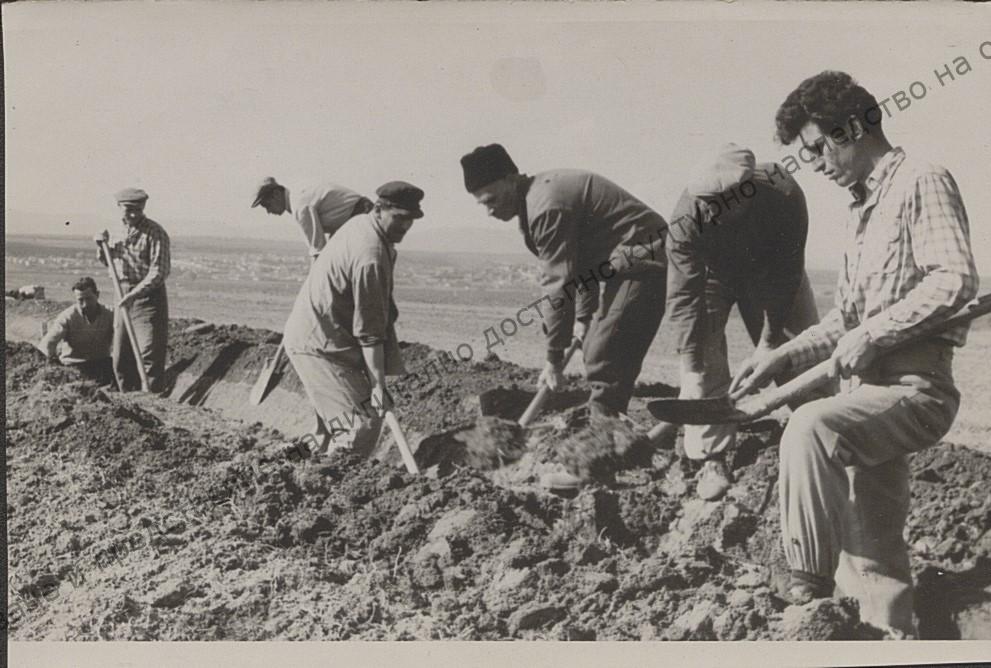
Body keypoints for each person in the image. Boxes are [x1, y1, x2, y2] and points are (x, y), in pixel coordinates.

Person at [730, 71, 979, 636]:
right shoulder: (859, 211)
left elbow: (955, 279)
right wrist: (782, 356)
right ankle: (887, 638)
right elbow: (845, 320)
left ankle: (806, 590)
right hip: (864, 393)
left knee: (810, 427)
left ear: (852, 129)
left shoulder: (921, 179)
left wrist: (878, 333)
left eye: (817, 147)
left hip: (915, 388)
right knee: (871, 549)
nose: (814, 164)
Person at [461, 144, 668, 432]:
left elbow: (559, 284)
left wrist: (554, 359)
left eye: (491, 199)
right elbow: (580, 264)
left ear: (511, 178)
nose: (489, 211)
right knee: (596, 344)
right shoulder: (535, 200)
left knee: (604, 351)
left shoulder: (546, 206)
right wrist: (583, 318)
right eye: (482, 204)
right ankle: (604, 423)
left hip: (645, 258)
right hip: (623, 261)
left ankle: (601, 435)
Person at [666, 144, 820, 500]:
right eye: (706, 203)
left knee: (799, 350)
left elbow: (787, 275)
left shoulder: (783, 193)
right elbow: (683, 295)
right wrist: (691, 369)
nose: (711, 211)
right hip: (713, 276)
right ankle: (712, 457)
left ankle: (823, 433)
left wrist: (768, 343)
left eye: (721, 202)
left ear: (747, 189)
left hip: (770, 273)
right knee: (703, 358)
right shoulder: (687, 217)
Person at [282, 181, 423, 456]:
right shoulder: (370, 255)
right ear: (379, 209)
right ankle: (331, 479)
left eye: (410, 220)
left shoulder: (362, 224)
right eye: (399, 218)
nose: (405, 226)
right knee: (360, 425)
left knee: (343, 424)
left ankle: (304, 463)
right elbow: (370, 329)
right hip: (318, 345)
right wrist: (378, 386)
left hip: (329, 338)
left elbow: (379, 314)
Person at [95, 187, 171, 392]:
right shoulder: (115, 231)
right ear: (118, 206)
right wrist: (101, 247)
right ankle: (129, 400)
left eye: (138, 209)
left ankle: (153, 399)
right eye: (128, 210)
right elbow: (109, 261)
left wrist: (134, 294)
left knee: (149, 353)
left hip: (148, 297)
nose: (133, 215)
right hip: (121, 293)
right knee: (121, 355)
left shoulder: (155, 232)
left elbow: (159, 272)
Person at [251, 177, 374, 260]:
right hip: (357, 219)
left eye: (267, 205)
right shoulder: (297, 195)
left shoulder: (299, 205)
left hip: (363, 218)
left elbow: (318, 252)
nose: (268, 211)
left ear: (276, 194)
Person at [38, 276, 115, 386]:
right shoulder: (68, 316)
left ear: (97, 295)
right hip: (74, 365)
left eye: (89, 299)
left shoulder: (110, 314)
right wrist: (53, 365)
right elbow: (47, 344)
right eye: (80, 300)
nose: (85, 304)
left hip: (101, 364)